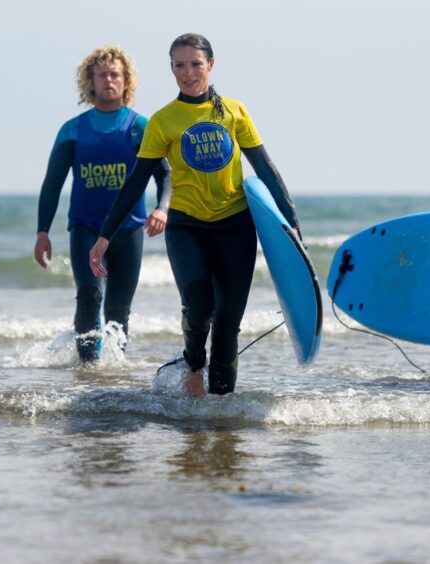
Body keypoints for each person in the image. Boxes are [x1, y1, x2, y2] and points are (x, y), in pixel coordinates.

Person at [89, 33, 301, 397]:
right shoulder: (163, 121)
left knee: (228, 324)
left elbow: (264, 168)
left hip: (235, 225)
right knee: (199, 303)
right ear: (171, 69)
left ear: (211, 65)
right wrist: (105, 235)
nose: (188, 73)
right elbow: (137, 180)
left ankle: (220, 413)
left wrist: (292, 225)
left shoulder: (234, 112)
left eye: (195, 64)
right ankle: (192, 363)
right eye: (179, 65)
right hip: (187, 226)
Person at [34, 45, 172, 364]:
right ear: (91, 82)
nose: (109, 79)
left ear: (126, 81)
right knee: (89, 297)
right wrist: (42, 231)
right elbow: (52, 184)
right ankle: (87, 372)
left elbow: (164, 174)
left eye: (115, 74)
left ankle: (112, 376)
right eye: (102, 75)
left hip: (129, 230)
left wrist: (162, 208)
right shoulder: (72, 130)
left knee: (118, 310)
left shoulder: (140, 126)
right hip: (85, 227)